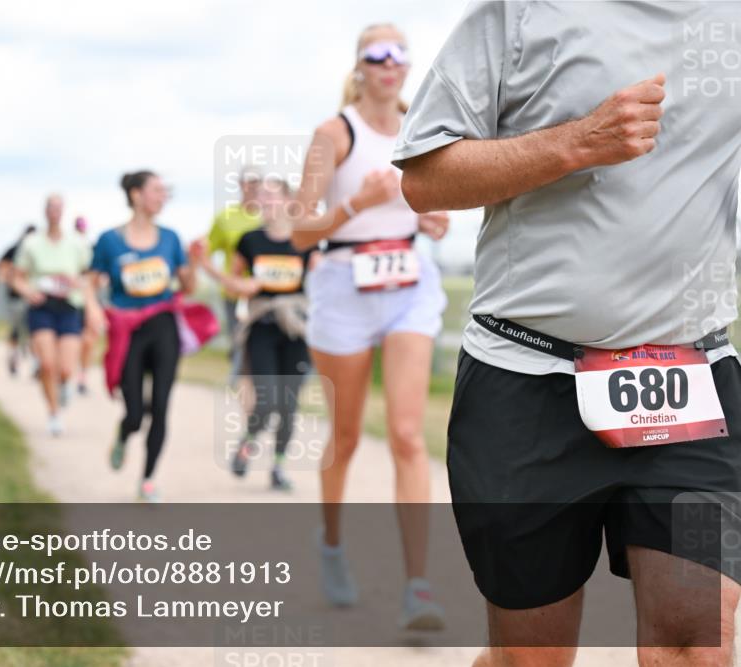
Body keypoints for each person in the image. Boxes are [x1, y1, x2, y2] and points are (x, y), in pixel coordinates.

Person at [394, 2, 741, 665]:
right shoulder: (519, 13)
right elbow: (424, 180)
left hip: (690, 384)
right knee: (532, 658)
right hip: (525, 382)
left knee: (695, 644)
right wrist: (577, 142)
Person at [290, 24, 450, 629]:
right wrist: (358, 203)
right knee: (348, 436)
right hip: (343, 287)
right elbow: (299, 232)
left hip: (408, 282)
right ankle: (332, 543)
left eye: (399, 53)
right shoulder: (334, 133)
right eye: (376, 54)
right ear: (359, 66)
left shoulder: (419, 127)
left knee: (407, 435)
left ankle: (419, 587)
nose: (389, 62)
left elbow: (429, 202)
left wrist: (430, 219)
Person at [89, 171, 207, 503]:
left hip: (163, 324)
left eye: (164, 191)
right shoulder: (109, 240)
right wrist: (93, 309)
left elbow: (187, 287)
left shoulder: (170, 238)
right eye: (157, 190)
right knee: (135, 414)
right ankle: (124, 433)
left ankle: (148, 480)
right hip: (128, 330)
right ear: (136, 195)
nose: (162, 196)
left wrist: (194, 263)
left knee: (161, 405)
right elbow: (90, 283)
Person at [195, 178, 316, 491]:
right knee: (266, 400)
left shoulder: (305, 239)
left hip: (296, 330)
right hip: (262, 327)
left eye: (272, 196)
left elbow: (322, 279)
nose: (265, 202)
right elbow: (235, 283)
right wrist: (210, 268)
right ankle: (247, 443)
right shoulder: (249, 240)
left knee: (288, 405)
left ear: (288, 200)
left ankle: (278, 468)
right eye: (261, 197)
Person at [11, 197, 100, 437]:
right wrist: (28, 291)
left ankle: (64, 385)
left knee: (67, 368)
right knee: (48, 364)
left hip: (69, 306)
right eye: (51, 207)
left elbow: (90, 276)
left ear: (63, 211)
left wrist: (87, 298)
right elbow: (17, 276)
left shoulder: (77, 243)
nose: (55, 212)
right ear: (45, 211)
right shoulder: (31, 243)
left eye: (59, 207)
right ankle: (53, 413)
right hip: (42, 306)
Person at [207, 167, 264, 381]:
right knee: (239, 341)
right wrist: (222, 278)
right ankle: (237, 384)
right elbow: (207, 252)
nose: (253, 187)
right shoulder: (226, 218)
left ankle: (257, 385)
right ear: (241, 184)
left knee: (261, 343)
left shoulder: (269, 215)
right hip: (235, 294)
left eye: (257, 182)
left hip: (265, 293)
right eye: (249, 182)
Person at [0, 225, 36, 376]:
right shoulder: (14, 250)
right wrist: (10, 279)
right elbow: (1, 267)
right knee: (16, 329)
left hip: (34, 298)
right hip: (16, 297)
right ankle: (13, 358)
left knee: (35, 330)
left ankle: (35, 364)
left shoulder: (40, 250)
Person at [73, 215, 96, 395]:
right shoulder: (69, 245)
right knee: (73, 341)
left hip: (88, 301)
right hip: (72, 301)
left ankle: (82, 378)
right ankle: (68, 374)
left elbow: (95, 276)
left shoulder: (90, 248)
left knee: (88, 341)